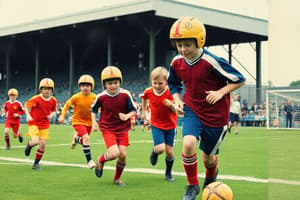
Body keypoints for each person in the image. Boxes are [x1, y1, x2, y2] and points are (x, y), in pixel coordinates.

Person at [168, 16, 246, 200]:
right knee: (188, 144)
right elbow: (173, 84)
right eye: (179, 45)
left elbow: (240, 79)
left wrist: (220, 92)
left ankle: (211, 176)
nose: (183, 49)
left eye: (188, 44)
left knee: (207, 159)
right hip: (192, 109)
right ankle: (192, 186)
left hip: (216, 116)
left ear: (199, 41)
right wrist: (177, 100)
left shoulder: (211, 61)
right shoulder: (176, 62)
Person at [91, 66, 137, 186]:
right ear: (104, 84)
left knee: (123, 156)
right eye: (110, 83)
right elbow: (93, 110)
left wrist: (127, 116)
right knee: (114, 153)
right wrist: (94, 122)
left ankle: (117, 179)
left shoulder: (126, 95)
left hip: (122, 129)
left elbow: (134, 110)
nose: (113, 86)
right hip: (108, 128)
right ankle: (101, 161)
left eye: (115, 83)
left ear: (120, 82)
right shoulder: (100, 97)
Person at [141, 66, 178, 182]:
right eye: (154, 83)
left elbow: (176, 109)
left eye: (160, 83)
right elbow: (144, 99)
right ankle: (155, 152)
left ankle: (168, 173)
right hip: (156, 124)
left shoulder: (170, 92)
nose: (157, 86)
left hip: (171, 125)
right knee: (160, 148)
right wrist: (144, 112)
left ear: (166, 82)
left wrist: (171, 106)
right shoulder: (148, 91)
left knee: (170, 152)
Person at [58, 74, 97, 169]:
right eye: (83, 86)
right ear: (80, 87)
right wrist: (62, 116)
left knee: (84, 141)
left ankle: (75, 139)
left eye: (88, 86)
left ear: (91, 87)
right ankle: (89, 161)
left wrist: (96, 122)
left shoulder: (95, 98)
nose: (85, 88)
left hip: (89, 123)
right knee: (86, 138)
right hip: (78, 121)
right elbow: (67, 105)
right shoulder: (76, 97)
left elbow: (99, 109)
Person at [24, 78, 57, 170]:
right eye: (45, 88)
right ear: (41, 89)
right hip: (34, 123)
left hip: (45, 125)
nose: (47, 90)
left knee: (42, 145)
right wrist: (27, 115)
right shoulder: (36, 99)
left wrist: (51, 115)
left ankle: (36, 164)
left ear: (52, 90)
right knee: (36, 141)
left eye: (49, 89)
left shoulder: (53, 100)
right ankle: (29, 145)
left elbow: (54, 110)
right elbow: (26, 105)